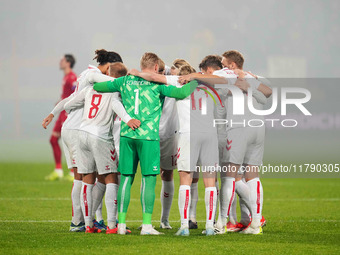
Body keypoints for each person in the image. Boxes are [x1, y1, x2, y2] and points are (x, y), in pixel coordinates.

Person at [93, 52, 199, 235]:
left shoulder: (124, 81)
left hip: (127, 135)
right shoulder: (157, 84)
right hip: (148, 136)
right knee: (148, 179)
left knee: (126, 178)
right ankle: (147, 226)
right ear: (156, 68)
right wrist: (197, 81)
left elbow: (98, 86)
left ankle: (121, 225)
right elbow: (182, 92)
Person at [42, 49, 123, 232]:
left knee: (84, 176)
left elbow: (70, 100)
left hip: (73, 129)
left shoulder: (85, 74)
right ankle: (80, 221)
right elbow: (115, 82)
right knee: (88, 177)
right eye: (114, 68)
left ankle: (86, 220)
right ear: (109, 66)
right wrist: (131, 79)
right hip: (82, 129)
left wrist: (53, 113)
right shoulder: (94, 75)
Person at [64, 62, 140, 233]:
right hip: (100, 136)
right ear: (120, 78)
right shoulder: (114, 90)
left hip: (82, 134)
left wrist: (72, 112)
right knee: (111, 177)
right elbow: (116, 106)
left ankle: (88, 225)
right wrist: (129, 119)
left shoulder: (91, 88)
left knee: (87, 178)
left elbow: (70, 103)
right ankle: (112, 225)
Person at [45, 54, 77, 181]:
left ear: (68, 62)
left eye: (62, 60)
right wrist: (60, 101)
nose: (60, 61)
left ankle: (72, 172)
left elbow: (77, 94)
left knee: (68, 141)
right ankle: (58, 170)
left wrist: (67, 104)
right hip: (61, 112)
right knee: (53, 140)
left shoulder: (72, 77)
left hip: (67, 113)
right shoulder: (66, 77)